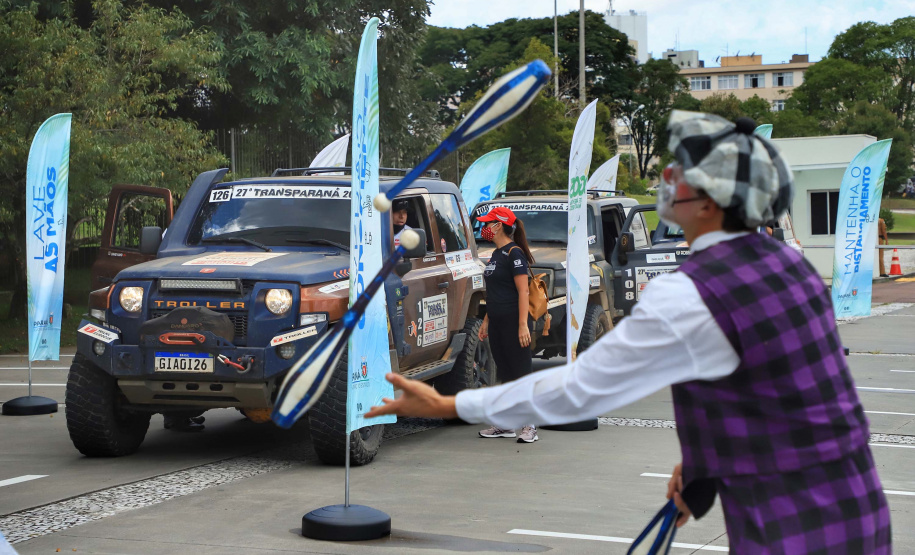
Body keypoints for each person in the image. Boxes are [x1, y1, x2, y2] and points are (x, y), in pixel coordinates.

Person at [367, 111, 891, 553]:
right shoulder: (790, 267)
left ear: (712, 201)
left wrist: (450, 406)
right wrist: (703, 473)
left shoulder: (692, 293)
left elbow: (578, 389)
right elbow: (769, 391)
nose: (666, 175)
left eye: (680, 171)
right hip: (859, 510)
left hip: (790, 529)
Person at [476, 206, 538, 443]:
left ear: (498, 225)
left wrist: (523, 325)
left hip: (514, 322)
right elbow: (495, 292)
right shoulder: (494, 255)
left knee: (521, 373)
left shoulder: (514, 253)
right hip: (497, 323)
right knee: (506, 373)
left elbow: (523, 291)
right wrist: (486, 320)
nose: (484, 228)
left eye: (487, 223)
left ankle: (529, 425)